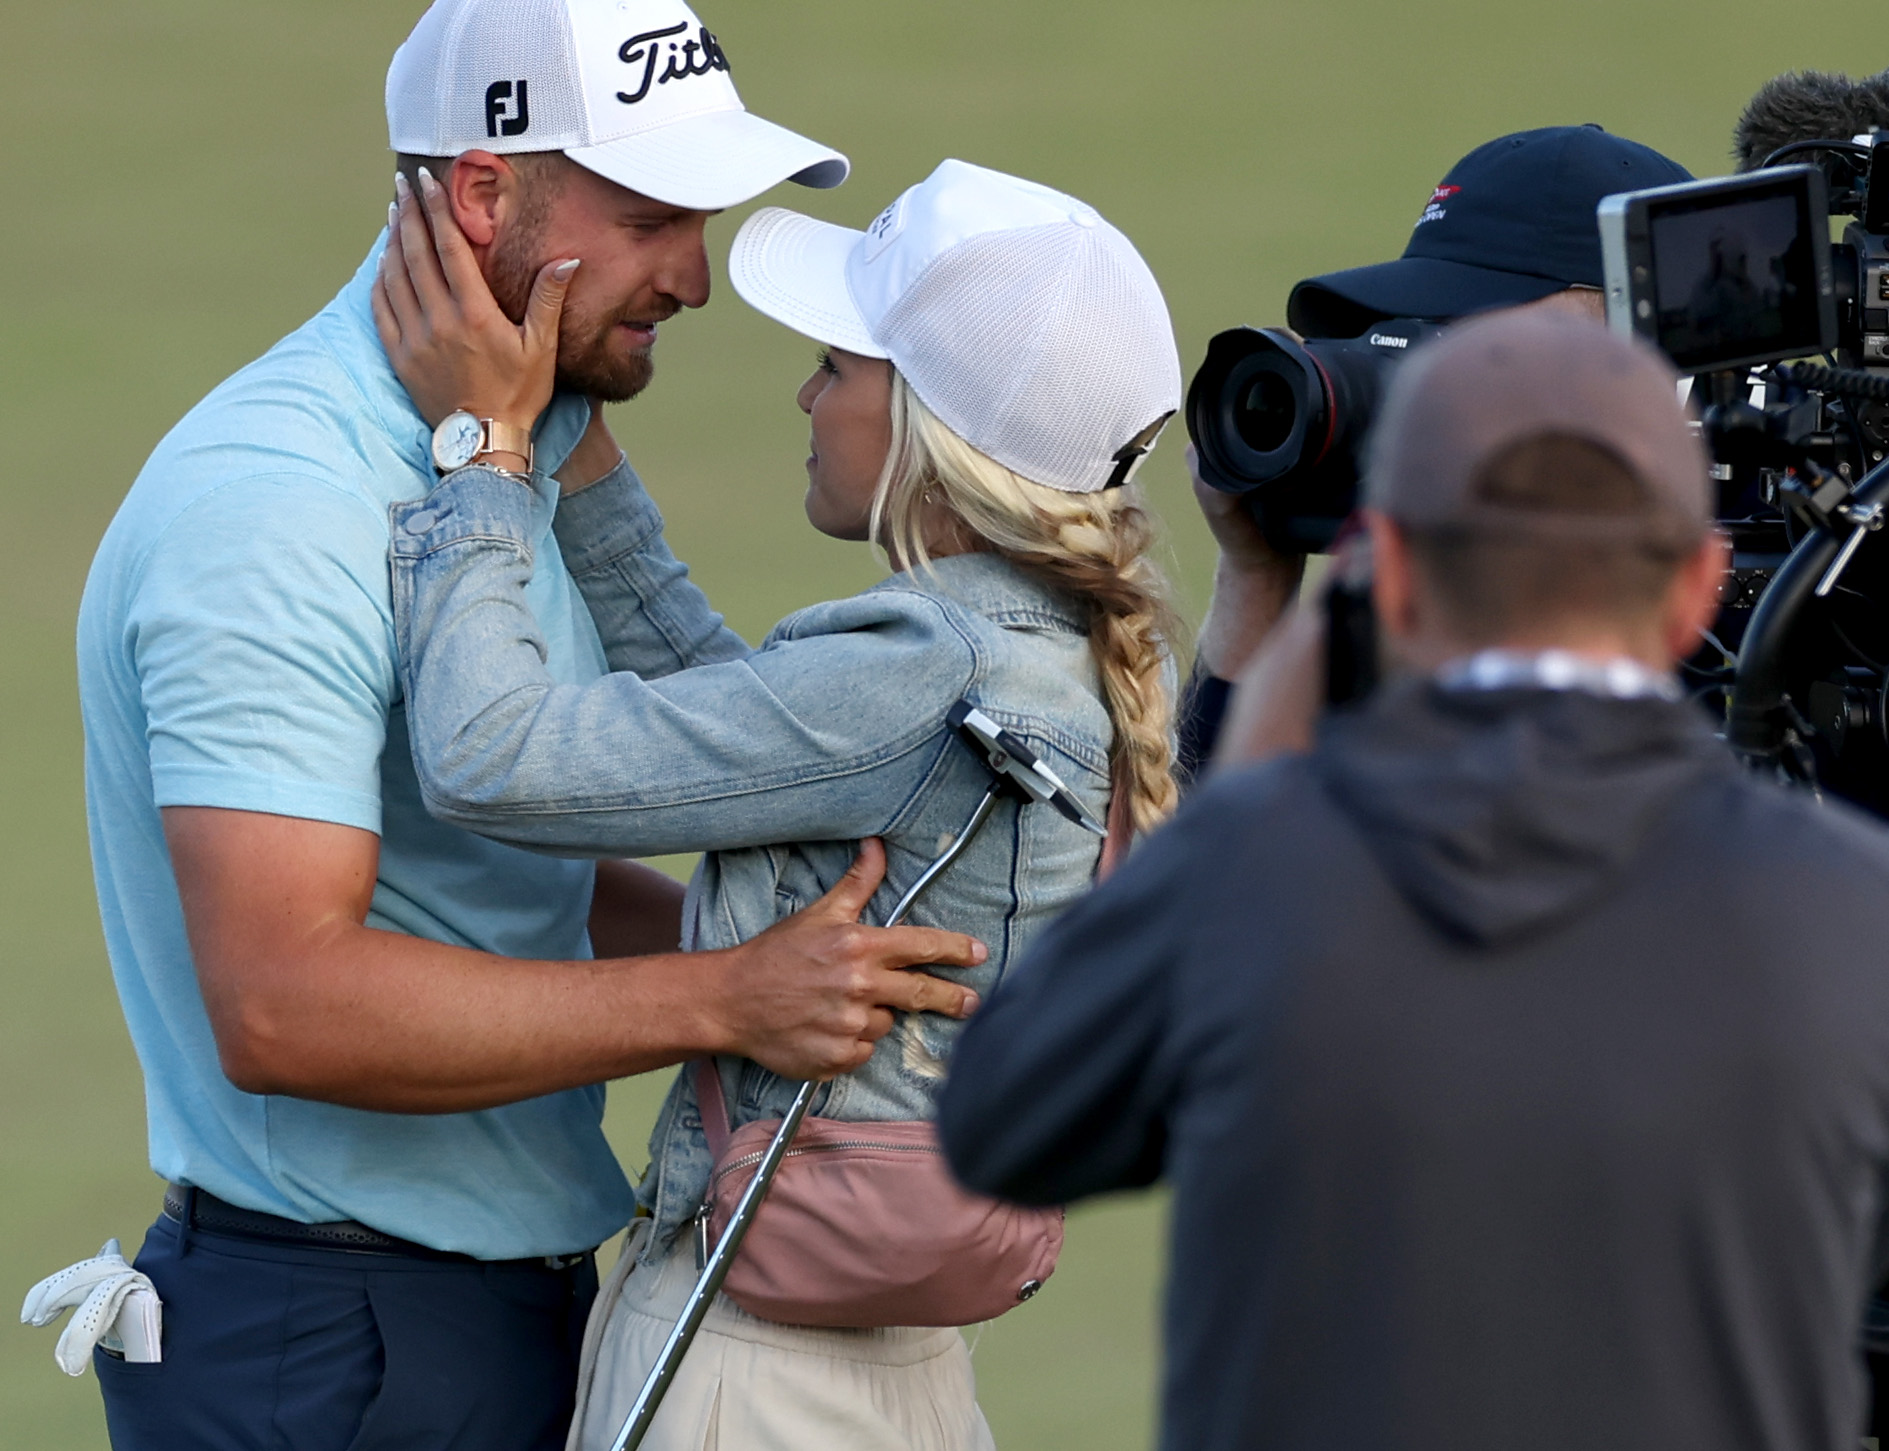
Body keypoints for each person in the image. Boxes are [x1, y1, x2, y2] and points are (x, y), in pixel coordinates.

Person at [68, 0, 991, 1451]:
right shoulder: (277, 508)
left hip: (465, 1322)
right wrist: (725, 995)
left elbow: (493, 895)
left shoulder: (496, 446)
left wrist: (786, 950)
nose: (692, 275)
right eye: (649, 219)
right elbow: (283, 1001)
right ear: (487, 199)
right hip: (337, 1348)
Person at [938, 310, 1889, 1451]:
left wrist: (1252, 774)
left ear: (1384, 578)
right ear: (1697, 586)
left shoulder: (1257, 868)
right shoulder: (1847, 907)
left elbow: (1000, 1119)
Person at [371, 157, 1185, 1449]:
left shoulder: (921, 668)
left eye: (836, 365)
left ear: (925, 424)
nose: (807, 393)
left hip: (748, 1378)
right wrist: (576, 443)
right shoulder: (1055, 647)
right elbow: (750, 724)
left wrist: (484, 451)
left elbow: (486, 753)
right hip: (907, 1376)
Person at [1182, 124, 1693, 774]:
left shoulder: (1800, 570)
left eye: (1476, 343)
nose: (1438, 390)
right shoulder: (1419, 591)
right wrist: (1254, 575)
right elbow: (1211, 856)